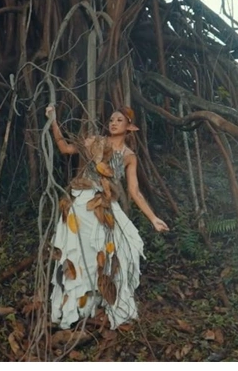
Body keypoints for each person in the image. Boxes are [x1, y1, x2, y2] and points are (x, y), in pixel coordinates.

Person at [44, 104, 169, 331]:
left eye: (119, 120)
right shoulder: (95, 142)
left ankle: (103, 300)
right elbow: (64, 148)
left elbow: (134, 191)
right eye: (111, 119)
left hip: (106, 206)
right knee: (79, 255)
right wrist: (53, 121)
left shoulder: (130, 157)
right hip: (83, 202)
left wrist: (153, 218)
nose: (113, 123)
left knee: (125, 248)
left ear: (130, 127)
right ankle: (77, 307)